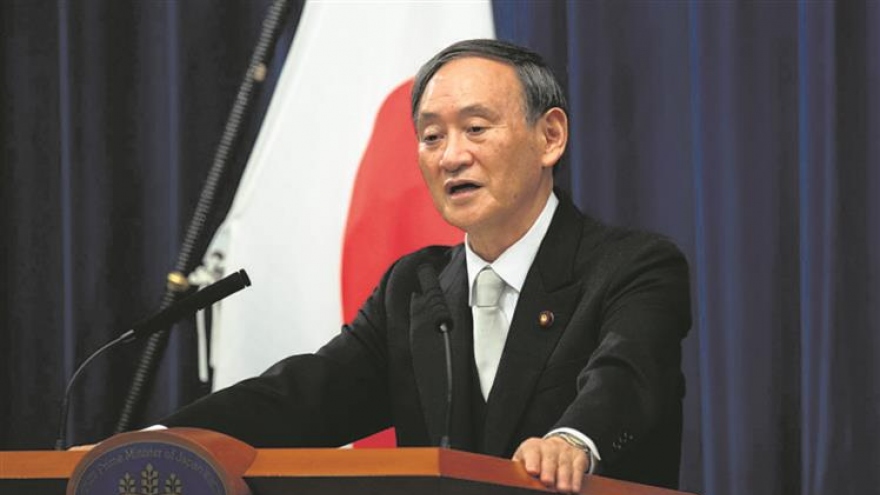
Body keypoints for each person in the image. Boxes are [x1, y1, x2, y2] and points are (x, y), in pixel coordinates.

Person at [161, 39, 691, 492]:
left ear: (550, 136)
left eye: (476, 128)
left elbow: (627, 378)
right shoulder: (414, 289)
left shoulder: (633, 267)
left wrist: (572, 441)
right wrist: (164, 440)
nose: (451, 156)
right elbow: (303, 396)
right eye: (432, 136)